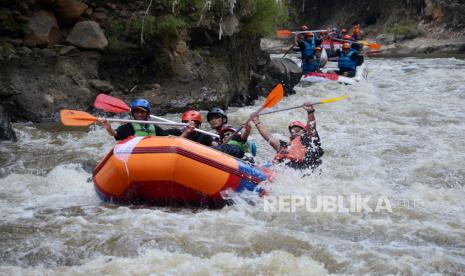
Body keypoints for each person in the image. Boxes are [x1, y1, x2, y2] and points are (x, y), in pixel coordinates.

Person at [252, 103, 324, 171]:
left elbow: (311, 128)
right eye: (292, 131)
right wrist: (256, 121)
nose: (293, 133)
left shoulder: (309, 140)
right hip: (286, 171)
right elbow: (270, 138)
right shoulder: (286, 146)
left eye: (297, 130)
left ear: (304, 131)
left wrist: (310, 112)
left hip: (303, 170)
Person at [98, 98, 168, 140]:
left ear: (147, 114)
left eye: (142, 112)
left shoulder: (154, 128)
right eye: (136, 112)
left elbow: (168, 137)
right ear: (133, 114)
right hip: (135, 154)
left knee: (174, 131)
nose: (139, 114)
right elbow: (114, 133)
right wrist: (109, 128)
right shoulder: (128, 127)